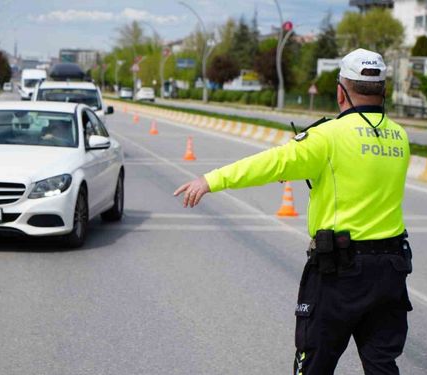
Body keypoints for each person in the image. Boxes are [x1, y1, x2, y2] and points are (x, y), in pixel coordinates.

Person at [174, 48, 412, 375]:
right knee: (382, 365)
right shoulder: (399, 137)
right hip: (391, 271)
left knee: (313, 364)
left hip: (340, 272)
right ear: (384, 90)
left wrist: (211, 179)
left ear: (341, 92)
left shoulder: (327, 136)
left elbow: (271, 164)